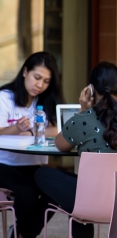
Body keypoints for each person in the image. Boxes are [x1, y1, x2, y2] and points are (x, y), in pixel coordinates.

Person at [35, 61, 117, 238]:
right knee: (75, 188)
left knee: (42, 174)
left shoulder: (82, 120)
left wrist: (82, 109)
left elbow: (60, 145)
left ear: (90, 89)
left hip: (91, 200)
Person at [0, 51, 65, 238]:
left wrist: (29, 131)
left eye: (46, 81)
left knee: (57, 189)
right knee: (27, 192)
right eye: (37, 78)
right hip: (5, 163)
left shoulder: (45, 100)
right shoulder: (4, 97)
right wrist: (16, 128)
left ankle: (21, 235)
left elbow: (59, 129)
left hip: (34, 164)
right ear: (25, 72)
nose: (40, 85)